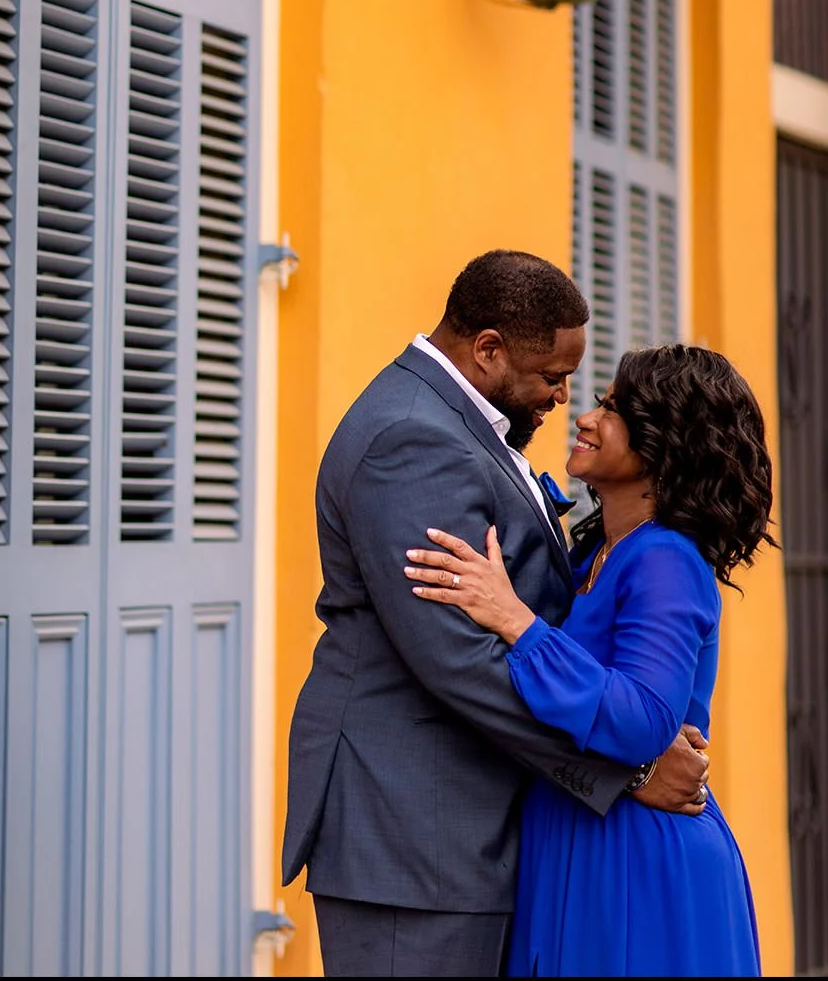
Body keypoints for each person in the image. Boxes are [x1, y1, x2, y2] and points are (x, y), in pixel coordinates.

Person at [281, 250, 709, 977]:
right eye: (551, 377)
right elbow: (458, 659)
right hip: (414, 841)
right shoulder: (411, 439)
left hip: (465, 834)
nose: (564, 399)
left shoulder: (460, 423)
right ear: (488, 351)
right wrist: (627, 770)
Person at [403, 343, 771, 976]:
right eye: (602, 401)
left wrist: (516, 622)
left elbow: (642, 719)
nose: (586, 417)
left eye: (616, 410)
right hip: (582, 837)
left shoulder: (666, 560)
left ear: (666, 447)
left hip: (636, 861)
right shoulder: (600, 552)